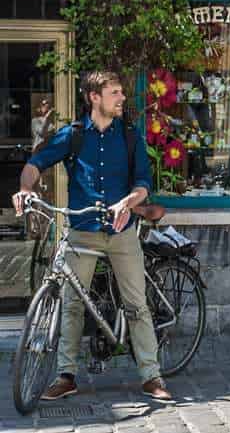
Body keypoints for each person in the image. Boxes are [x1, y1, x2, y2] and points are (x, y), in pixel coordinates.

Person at [11, 71, 173, 401]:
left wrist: (127, 202)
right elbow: (35, 163)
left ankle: (151, 376)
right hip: (83, 233)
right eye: (115, 92)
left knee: (136, 305)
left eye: (121, 92)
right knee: (71, 306)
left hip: (121, 231)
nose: (122, 98)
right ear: (94, 97)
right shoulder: (72, 137)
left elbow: (143, 182)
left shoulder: (129, 136)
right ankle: (66, 376)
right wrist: (25, 189)